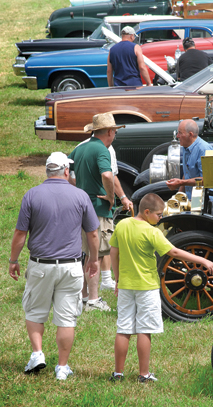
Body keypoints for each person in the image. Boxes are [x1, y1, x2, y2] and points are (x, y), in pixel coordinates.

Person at [109, 193, 213, 383]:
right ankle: (143, 375)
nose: (160, 218)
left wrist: (118, 279)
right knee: (144, 330)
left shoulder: (122, 225)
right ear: (147, 212)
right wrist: (202, 260)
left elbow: (114, 252)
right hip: (147, 287)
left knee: (124, 329)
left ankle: (118, 374)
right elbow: (174, 252)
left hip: (126, 286)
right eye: (159, 215)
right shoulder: (152, 232)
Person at [8, 152, 100, 380]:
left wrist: (13, 260)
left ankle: (38, 354)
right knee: (67, 318)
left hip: (40, 265)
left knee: (35, 311)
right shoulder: (80, 196)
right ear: (66, 171)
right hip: (71, 266)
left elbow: (20, 233)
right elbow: (93, 233)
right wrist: (94, 259)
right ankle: (62, 367)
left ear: (47, 171)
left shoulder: (32, 195)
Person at [68, 113, 126, 311]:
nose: (115, 136)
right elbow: (107, 175)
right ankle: (93, 300)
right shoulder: (103, 149)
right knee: (97, 255)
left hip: (81, 209)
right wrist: (111, 197)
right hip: (98, 210)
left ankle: (84, 297)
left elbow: (67, 172)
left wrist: (79, 190)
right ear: (109, 132)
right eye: (115, 132)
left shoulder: (81, 148)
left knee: (85, 253)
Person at [166, 119, 213, 203]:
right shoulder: (186, 146)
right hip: (194, 200)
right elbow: (187, 173)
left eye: (180, 133)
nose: (177, 136)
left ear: (190, 135)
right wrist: (177, 197)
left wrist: (181, 182)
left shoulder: (203, 149)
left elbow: (206, 180)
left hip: (210, 201)